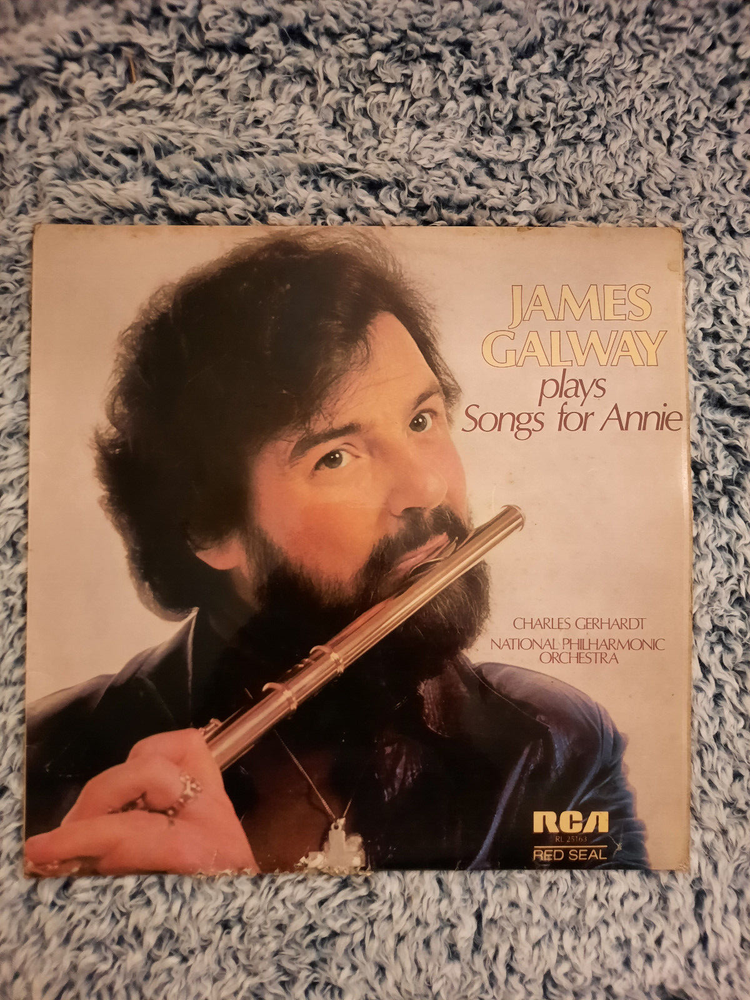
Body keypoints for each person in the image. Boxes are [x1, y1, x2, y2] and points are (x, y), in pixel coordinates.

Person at [25, 231, 647, 875]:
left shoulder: (554, 744)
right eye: (336, 456)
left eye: (422, 420)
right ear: (209, 529)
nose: (427, 489)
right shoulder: (43, 759)